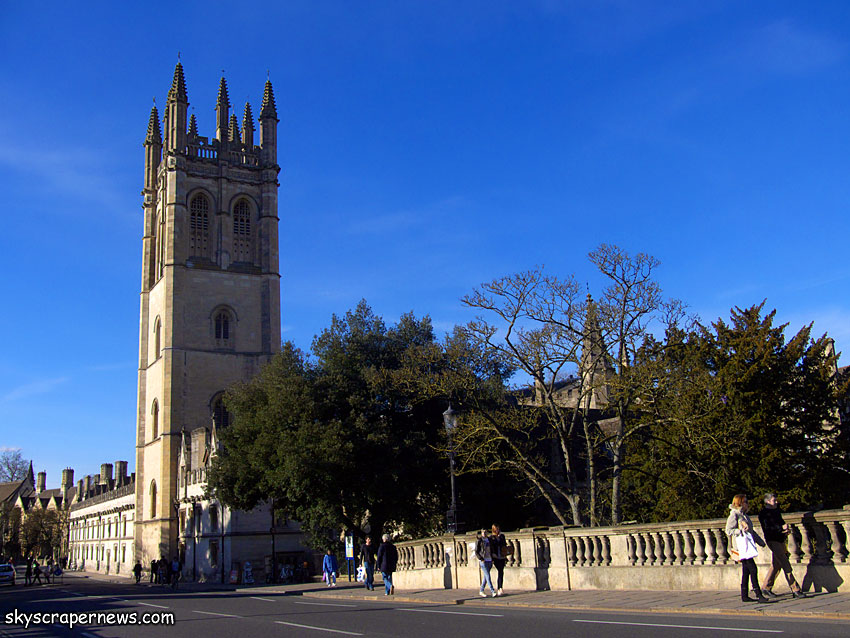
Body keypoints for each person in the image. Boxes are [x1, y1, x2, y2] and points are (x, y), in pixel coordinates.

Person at [758, 493, 807, 598]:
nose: (776, 502)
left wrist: (785, 529)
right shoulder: (764, 514)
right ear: (767, 502)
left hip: (780, 539)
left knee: (777, 564)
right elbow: (768, 528)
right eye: (773, 501)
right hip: (773, 540)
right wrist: (781, 528)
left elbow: (780, 523)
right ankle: (795, 588)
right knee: (785, 563)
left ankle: (766, 587)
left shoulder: (776, 511)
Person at [726, 494, 769, 603]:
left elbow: (751, 531)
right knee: (753, 569)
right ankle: (758, 594)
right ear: (740, 503)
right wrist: (740, 531)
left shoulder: (744, 515)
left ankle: (744, 595)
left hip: (747, 546)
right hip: (741, 547)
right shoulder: (734, 514)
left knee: (746, 571)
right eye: (746, 502)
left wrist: (760, 541)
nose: (748, 504)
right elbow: (729, 530)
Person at [475, 529, 497, 597]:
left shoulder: (489, 540)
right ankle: (492, 591)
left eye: (485, 532)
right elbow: (476, 551)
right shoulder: (479, 541)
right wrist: (481, 559)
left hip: (489, 560)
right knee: (488, 576)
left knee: (486, 576)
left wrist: (492, 558)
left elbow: (492, 549)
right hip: (483, 561)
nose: (484, 533)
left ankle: (481, 590)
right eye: (482, 532)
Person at [490, 524, 508, 596]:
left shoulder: (502, 536)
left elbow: (504, 545)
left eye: (498, 529)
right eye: (496, 529)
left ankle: (500, 588)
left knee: (501, 572)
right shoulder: (492, 537)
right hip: (496, 557)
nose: (498, 530)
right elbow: (491, 547)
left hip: (502, 556)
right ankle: (499, 588)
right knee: (500, 570)